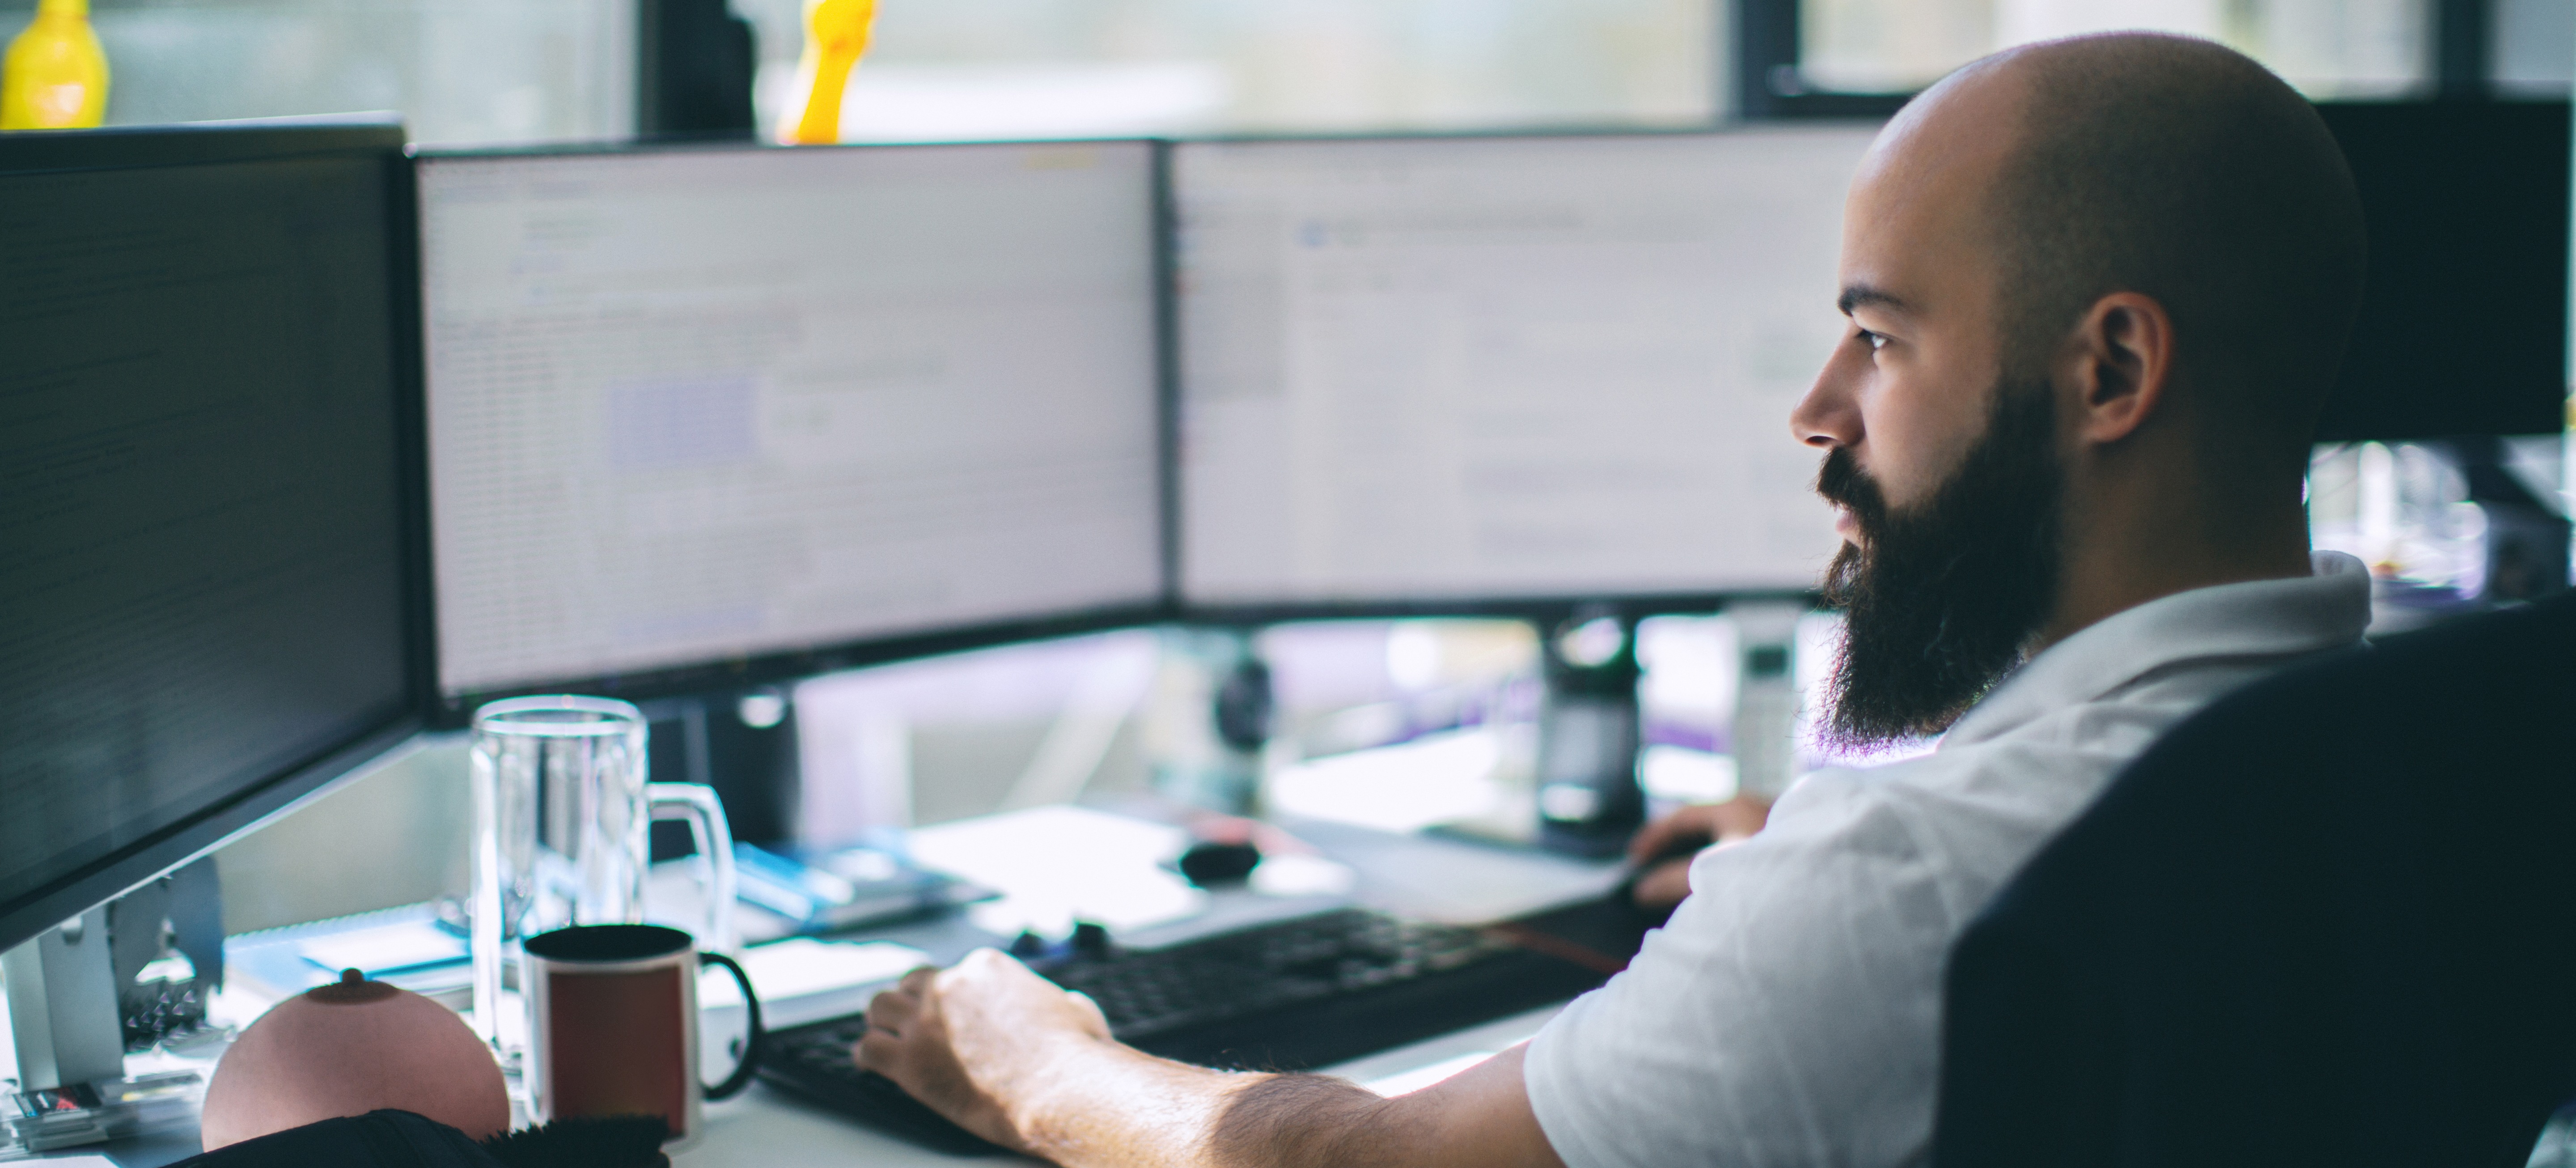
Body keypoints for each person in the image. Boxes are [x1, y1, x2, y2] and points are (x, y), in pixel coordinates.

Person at [852, 31, 2375, 1167]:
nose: (1819, 408)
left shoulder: (1919, 878)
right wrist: (1814, 882)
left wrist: (1028, 1060)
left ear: (2110, 371)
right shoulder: (2411, 737)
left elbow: (1356, 1165)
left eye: (1883, 339)